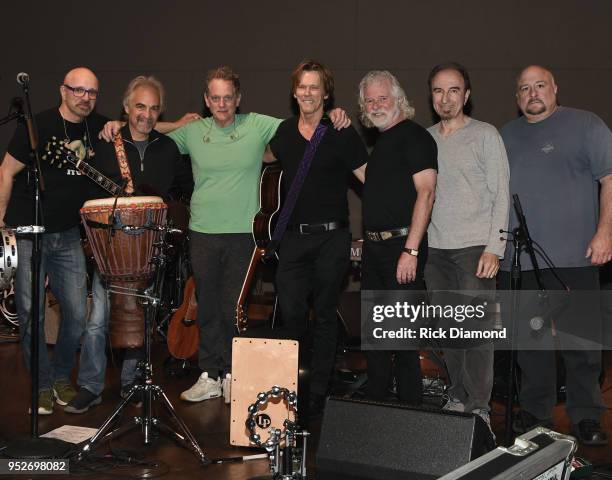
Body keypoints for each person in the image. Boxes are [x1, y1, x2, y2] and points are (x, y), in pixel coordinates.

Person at [103, 66, 351, 404]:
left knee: (233, 307)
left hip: (244, 234)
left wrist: (335, 114)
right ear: (207, 100)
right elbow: (145, 129)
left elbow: (306, 120)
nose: (222, 104)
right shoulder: (192, 132)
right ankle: (210, 374)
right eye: (215, 98)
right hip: (202, 231)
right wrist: (125, 125)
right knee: (206, 305)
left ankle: (234, 375)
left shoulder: (259, 124)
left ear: (238, 99)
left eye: (228, 98)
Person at [65, 75, 193, 413]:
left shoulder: (167, 148)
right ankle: (90, 387)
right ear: (126, 107)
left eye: (153, 109)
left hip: (147, 247)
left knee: (141, 318)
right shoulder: (106, 142)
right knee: (97, 321)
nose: (146, 115)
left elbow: (185, 189)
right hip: (111, 247)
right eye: (140, 106)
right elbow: (87, 194)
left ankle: (131, 383)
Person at [500, 65, 612, 445]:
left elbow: (610, 178)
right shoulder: (505, 136)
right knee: (530, 343)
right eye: (524, 88)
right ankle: (535, 412)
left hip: (577, 255)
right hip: (522, 258)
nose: (533, 93)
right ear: (517, 98)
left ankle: (586, 417)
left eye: (540, 86)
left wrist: (605, 231)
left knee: (581, 342)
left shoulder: (586, 125)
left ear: (555, 89)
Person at [0, 67, 108, 414]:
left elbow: (142, 124)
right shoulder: (38, 125)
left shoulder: (99, 127)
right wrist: (1, 224)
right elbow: (6, 171)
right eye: (78, 90)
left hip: (67, 234)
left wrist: (180, 123)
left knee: (76, 314)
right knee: (31, 313)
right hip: (30, 232)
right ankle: (42, 385)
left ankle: (61, 376)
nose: (85, 97)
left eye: (91, 92)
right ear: (63, 91)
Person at [265, 60, 367, 416]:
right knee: (290, 316)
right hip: (293, 240)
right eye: (302, 87)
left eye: (315, 87)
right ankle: (292, 392)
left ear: (326, 93)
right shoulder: (282, 134)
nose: (308, 93)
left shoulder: (341, 132)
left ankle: (319, 397)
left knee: (324, 316)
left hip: (331, 240)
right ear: (294, 92)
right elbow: (253, 155)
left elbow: (370, 179)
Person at [423, 62, 509, 432]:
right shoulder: (424, 139)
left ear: (466, 95)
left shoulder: (486, 135)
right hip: (435, 250)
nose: (446, 98)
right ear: (431, 96)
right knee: (448, 329)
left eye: (454, 90)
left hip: (475, 248)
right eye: (439, 91)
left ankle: (478, 405)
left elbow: (501, 193)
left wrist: (495, 247)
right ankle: (457, 394)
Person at [358, 70, 437, 404]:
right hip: (376, 252)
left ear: (398, 99)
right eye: (369, 100)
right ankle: (377, 410)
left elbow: (427, 193)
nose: (376, 105)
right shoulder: (381, 143)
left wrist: (411, 250)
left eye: (382, 98)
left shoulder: (415, 137)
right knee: (376, 340)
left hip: (402, 250)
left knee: (404, 343)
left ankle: (410, 416)